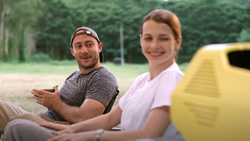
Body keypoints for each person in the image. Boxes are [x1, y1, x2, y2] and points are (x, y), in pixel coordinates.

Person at [4, 9, 184, 141]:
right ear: (140, 40)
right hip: (95, 135)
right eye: (148, 38)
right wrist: (72, 131)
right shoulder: (142, 80)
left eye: (163, 38)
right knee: (16, 125)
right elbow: (110, 119)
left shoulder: (171, 79)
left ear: (177, 42)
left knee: (17, 127)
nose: (154, 45)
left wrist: (91, 136)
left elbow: (150, 134)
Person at [0, 27, 118, 134]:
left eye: (89, 45)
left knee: (17, 123)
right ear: (73, 52)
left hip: (61, 129)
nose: (84, 51)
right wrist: (50, 101)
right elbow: (61, 108)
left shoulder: (102, 77)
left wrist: (55, 103)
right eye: (79, 46)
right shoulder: (74, 75)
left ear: (99, 47)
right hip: (45, 119)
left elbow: (85, 119)